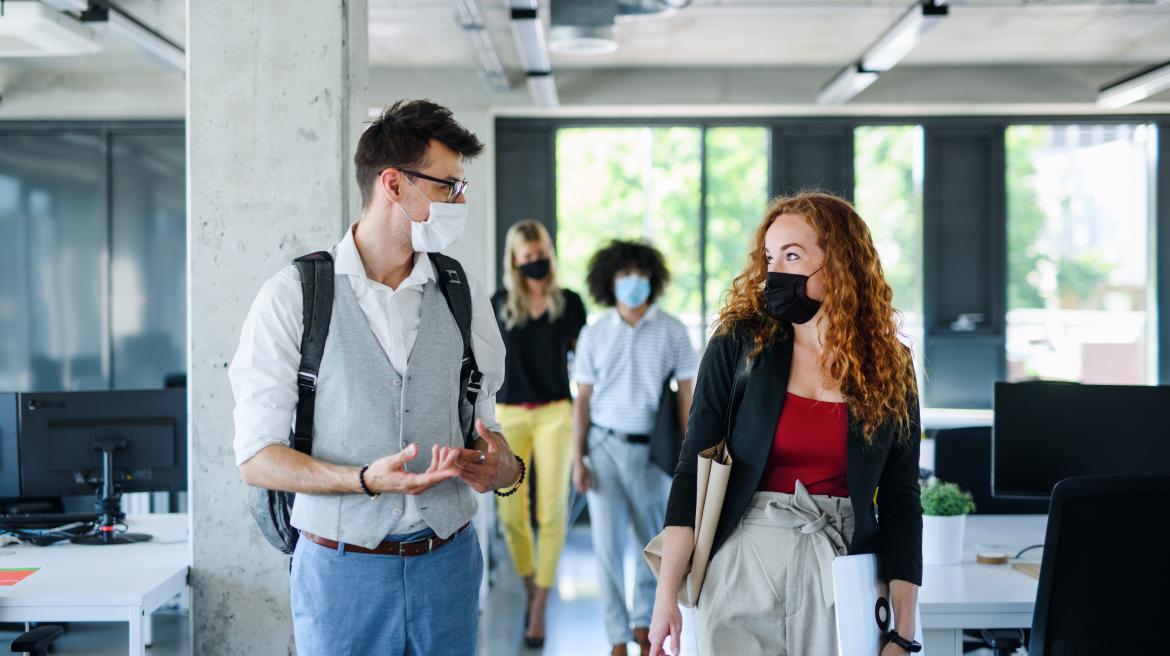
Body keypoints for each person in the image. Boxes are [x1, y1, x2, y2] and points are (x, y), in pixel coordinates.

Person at [230, 99, 523, 656]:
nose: (458, 202)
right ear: (393, 184)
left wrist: (504, 468)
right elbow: (256, 459)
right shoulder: (294, 297)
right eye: (448, 188)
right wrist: (363, 480)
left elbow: (485, 424)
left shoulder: (463, 293)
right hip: (341, 572)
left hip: (449, 566)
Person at [648, 192, 923, 656]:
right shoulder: (738, 345)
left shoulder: (889, 365)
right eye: (770, 257)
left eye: (792, 256)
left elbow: (901, 499)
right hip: (742, 563)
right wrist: (665, 598)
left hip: (842, 571)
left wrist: (904, 631)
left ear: (838, 263)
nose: (776, 271)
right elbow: (692, 472)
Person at [572, 240, 699, 656]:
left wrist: (688, 457)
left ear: (652, 279)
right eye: (623, 275)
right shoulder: (594, 333)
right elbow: (583, 400)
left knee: (653, 544)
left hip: (653, 454)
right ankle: (615, 637)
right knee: (607, 547)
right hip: (604, 448)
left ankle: (645, 624)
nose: (632, 283)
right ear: (609, 282)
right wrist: (578, 458)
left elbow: (686, 395)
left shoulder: (672, 330)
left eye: (639, 275)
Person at [490, 219, 587, 648]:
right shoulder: (497, 304)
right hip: (509, 416)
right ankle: (531, 586)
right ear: (514, 260)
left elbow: (586, 364)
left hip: (554, 414)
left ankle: (541, 603)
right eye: (526, 257)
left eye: (541, 253)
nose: (535, 262)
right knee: (510, 515)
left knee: (551, 512)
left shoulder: (569, 303)